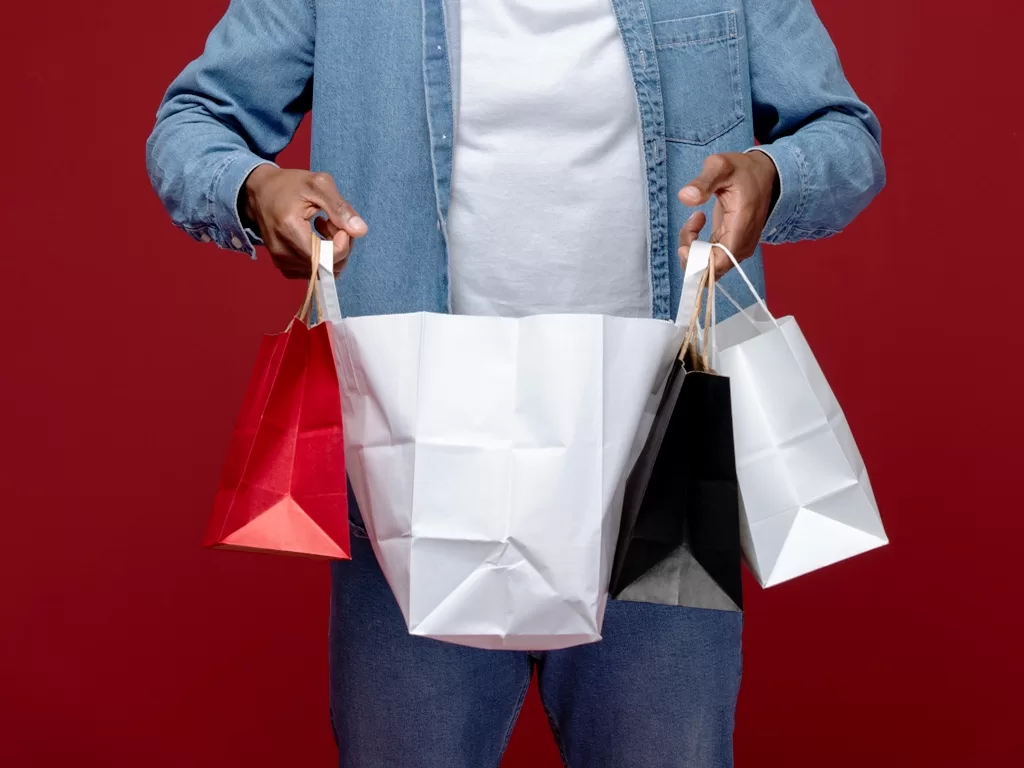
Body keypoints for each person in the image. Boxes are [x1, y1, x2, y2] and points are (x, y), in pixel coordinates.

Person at [147, 1, 884, 765]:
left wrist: (772, 174)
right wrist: (253, 190)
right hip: (417, 464)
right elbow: (194, 122)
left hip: (662, 460)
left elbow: (845, 137)